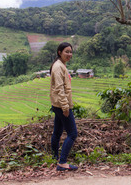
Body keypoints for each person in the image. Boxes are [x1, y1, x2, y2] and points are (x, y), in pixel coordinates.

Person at [49, 42, 78, 171]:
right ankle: (62, 162)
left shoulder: (60, 65)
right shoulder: (58, 67)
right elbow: (59, 89)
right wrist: (66, 107)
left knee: (57, 132)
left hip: (57, 104)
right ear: (59, 52)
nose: (69, 54)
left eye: (71, 52)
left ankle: (55, 157)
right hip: (62, 105)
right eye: (66, 51)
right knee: (72, 133)